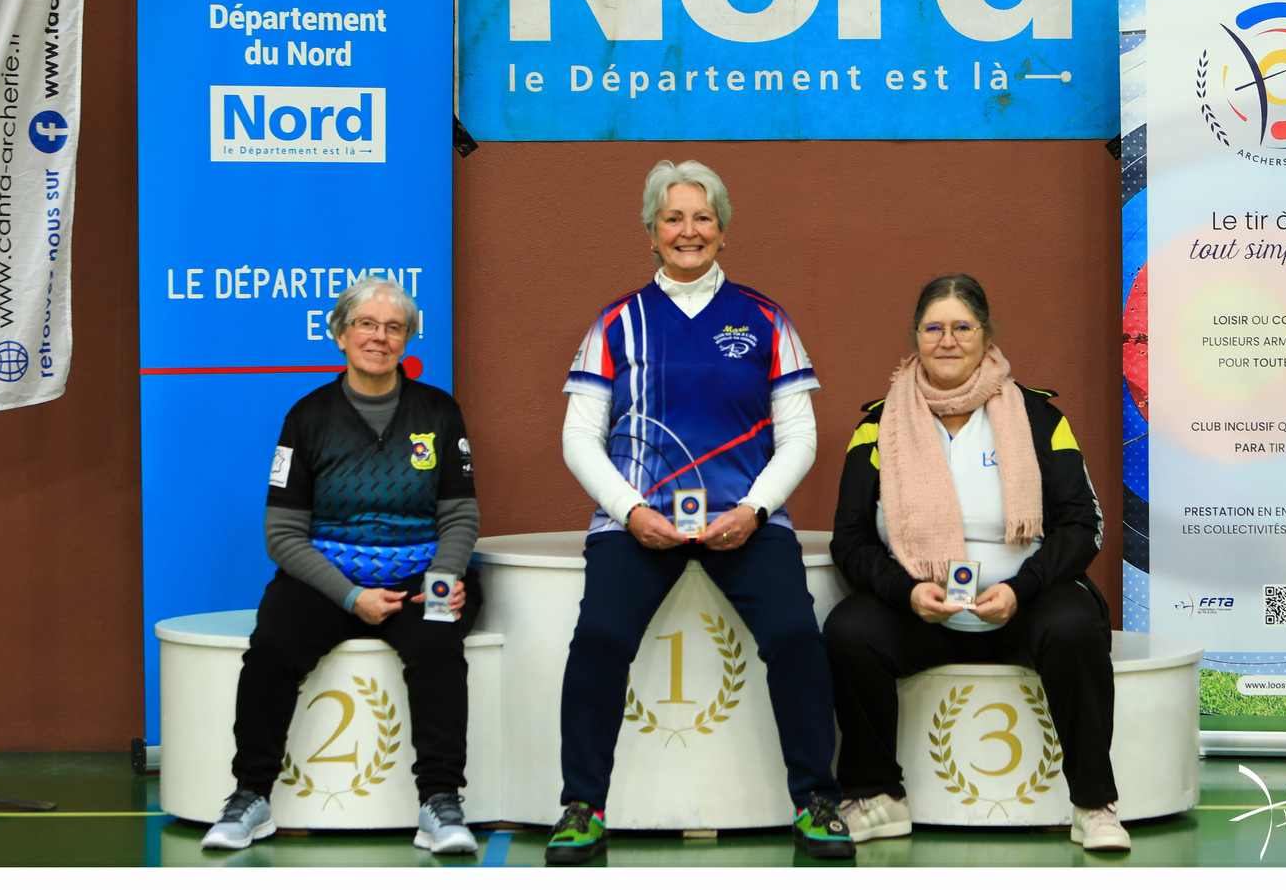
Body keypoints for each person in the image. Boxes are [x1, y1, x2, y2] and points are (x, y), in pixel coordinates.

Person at [544, 160, 853, 864]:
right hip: (638, 523)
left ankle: (817, 801)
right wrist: (629, 512)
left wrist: (754, 510)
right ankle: (581, 806)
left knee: (796, 638)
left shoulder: (767, 319)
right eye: (673, 218)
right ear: (651, 233)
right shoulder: (616, 323)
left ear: (723, 229)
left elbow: (800, 437)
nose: (689, 231)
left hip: (745, 521)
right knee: (598, 640)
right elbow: (578, 438)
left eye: (703, 217)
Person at [823, 274, 1129, 852]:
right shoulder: (877, 424)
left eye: (962, 327)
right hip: (924, 608)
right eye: (933, 328)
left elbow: (1083, 523)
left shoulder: (1038, 417)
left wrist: (1023, 588)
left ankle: (1094, 805)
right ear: (915, 337)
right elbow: (851, 538)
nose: (947, 340)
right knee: (849, 630)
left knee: (1075, 626)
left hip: (1023, 603)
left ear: (987, 336)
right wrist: (905, 592)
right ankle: (876, 797)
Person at [202, 276, 485, 855]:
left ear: (407, 339)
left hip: (419, 578)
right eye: (366, 324)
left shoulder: (439, 411)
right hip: (327, 581)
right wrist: (351, 597)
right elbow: (282, 535)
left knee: (438, 646)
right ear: (340, 334)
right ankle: (250, 796)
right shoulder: (307, 417)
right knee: (272, 644)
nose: (379, 337)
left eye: (394, 327)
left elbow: (460, 515)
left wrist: (445, 580)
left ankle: (440, 802)